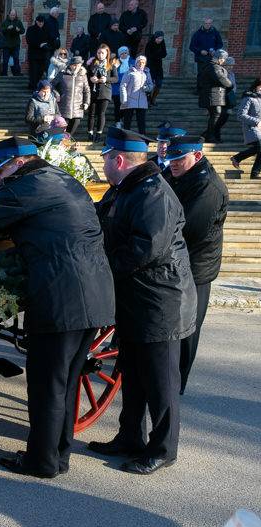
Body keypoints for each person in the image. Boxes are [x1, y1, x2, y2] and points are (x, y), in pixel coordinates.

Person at [0, 136, 115, 479]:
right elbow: (48, 237)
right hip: (95, 295)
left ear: (19, 163)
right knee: (65, 381)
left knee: (47, 384)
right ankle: (58, 454)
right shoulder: (64, 179)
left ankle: (41, 462)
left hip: (60, 300)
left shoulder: (23, 187)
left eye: (2, 171)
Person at [90, 126, 196, 475]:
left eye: (105, 157)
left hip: (160, 304)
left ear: (119, 159)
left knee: (160, 382)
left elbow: (145, 249)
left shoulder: (153, 195)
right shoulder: (126, 188)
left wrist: (102, 272)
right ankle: (130, 437)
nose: (103, 164)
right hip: (137, 301)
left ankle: (164, 449)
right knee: (132, 374)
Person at [161, 136, 229, 396]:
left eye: (180, 158)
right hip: (177, 260)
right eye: (172, 158)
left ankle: (176, 384)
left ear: (197, 156)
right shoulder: (177, 173)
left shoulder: (208, 186)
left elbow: (188, 230)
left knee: (188, 327)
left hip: (196, 267)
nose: (173, 163)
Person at [198, 49, 232, 143]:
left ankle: (209, 134)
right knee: (216, 114)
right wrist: (230, 85)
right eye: (224, 59)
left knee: (222, 114)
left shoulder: (211, 66)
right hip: (213, 95)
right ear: (220, 59)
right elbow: (222, 79)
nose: (224, 61)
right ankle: (209, 136)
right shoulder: (214, 67)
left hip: (215, 95)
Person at [53, 56, 90, 138]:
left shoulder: (83, 76)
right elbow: (51, 86)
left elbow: (87, 91)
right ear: (70, 65)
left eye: (79, 64)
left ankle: (66, 144)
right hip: (64, 107)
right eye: (74, 65)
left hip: (77, 108)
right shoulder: (62, 74)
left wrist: (86, 102)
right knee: (61, 132)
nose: (76, 67)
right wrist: (57, 94)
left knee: (70, 134)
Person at [231, 78, 261, 180]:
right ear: (258, 86)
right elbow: (240, 115)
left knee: (259, 148)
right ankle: (255, 173)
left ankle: (237, 158)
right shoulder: (249, 97)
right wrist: (256, 121)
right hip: (251, 128)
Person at [86, 45, 117, 142]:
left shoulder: (111, 64)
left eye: (102, 53)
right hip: (93, 91)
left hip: (105, 91)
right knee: (91, 113)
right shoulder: (92, 63)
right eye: (98, 52)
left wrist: (106, 79)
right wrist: (91, 79)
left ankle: (99, 134)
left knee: (101, 113)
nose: (100, 55)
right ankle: (90, 133)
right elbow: (86, 75)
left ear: (107, 53)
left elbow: (115, 78)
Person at [119, 54, 153, 135]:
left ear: (145, 63)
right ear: (136, 62)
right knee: (127, 121)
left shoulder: (147, 72)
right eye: (139, 62)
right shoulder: (129, 72)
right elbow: (123, 86)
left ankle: (143, 140)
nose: (141, 64)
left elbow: (151, 85)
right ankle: (125, 138)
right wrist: (124, 99)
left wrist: (147, 88)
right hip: (129, 100)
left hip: (142, 101)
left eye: (143, 62)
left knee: (141, 122)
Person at [189, 18, 223, 93]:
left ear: (211, 24)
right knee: (201, 74)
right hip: (201, 58)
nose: (207, 25)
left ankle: (209, 90)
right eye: (206, 23)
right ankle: (199, 90)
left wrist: (215, 50)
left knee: (211, 74)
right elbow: (192, 46)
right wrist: (200, 51)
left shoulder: (215, 33)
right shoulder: (197, 33)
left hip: (212, 57)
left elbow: (220, 44)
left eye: (209, 23)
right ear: (203, 24)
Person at [25, 16, 52, 90]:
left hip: (43, 55)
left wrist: (46, 45)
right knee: (33, 71)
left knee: (40, 71)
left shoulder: (46, 29)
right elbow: (29, 40)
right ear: (36, 21)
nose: (41, 23)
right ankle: (33, 86)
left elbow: (50, 40)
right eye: (39, 22)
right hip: (33, 54)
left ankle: (34, 84)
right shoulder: (31, 29)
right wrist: (39, 44)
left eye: (42, 22)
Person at [144, 31, 167, 107]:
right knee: (150, 84)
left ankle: (153, 99)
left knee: (159, 84)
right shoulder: (150, 44)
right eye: (158, 38)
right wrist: (157, 55)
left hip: (158, 66)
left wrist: (158, 55)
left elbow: (164, 53)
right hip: (151, 66)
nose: (159, 40)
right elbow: (148, 54)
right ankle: (148, 100)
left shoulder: (162, 43)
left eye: (161, 38)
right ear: (155, 37)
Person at [0, 9, 25, 77]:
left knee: (16, 59)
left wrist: (19, 30)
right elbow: (1, 30)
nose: (13, 16)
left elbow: (23, 31)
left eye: (14, 15)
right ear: (9, 14)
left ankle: (17, 73)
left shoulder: (18, 22)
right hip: (7, 44)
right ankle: (4, 73)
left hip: (15, 44)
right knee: (5, 60)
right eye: (11, 15)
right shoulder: (5, 22)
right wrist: (7, 28)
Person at [112, 46, 133, 124]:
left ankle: (124, 121)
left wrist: (120, 76)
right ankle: (118, 121)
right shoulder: (115, 63)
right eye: (121, 53)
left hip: (129, 89)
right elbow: (113, 76)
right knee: (117, 106)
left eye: (125, 53)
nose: (124, 54)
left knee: (127, 106)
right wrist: (125, 76)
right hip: (116, 89)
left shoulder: (133, 62)